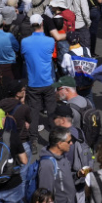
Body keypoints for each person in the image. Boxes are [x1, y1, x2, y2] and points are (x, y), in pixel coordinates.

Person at [20, 14, 57, 151]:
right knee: (52, 112)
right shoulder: (50, 41)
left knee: (34, 112)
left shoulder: (25, 42)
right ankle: (54, 139)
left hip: (33, 83)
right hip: (47, 81)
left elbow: (24, 55)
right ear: (42, 23)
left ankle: (34, 140)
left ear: (31, 25)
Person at [36, 126, 75, 203]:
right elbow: (45, 194)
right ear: (59, 144)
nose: (71, 143)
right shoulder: (47, 164)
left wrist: (77, 175)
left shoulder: (62, 156)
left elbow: (64, 179)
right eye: (69, 141)